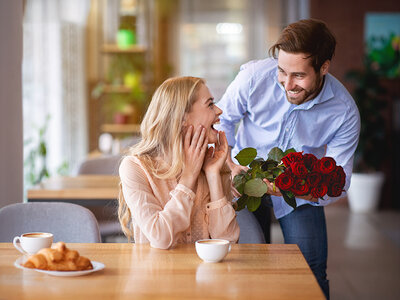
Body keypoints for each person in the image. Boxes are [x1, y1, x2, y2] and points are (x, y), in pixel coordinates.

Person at [216, 19, 360, 299]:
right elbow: (222, 120)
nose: (287, 84)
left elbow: (339, 180)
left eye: (299, 76)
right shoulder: (255, 77)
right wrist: (230, 165)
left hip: (300, 192)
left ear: (323, 68)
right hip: (242, 182)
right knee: (242, 264)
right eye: (282, 71)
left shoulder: (344, 111)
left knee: (311, 270)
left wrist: (298, 187)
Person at [118, 76, 240, 250]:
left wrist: (213, 175)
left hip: (206, 275)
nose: (219, 111)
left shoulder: (212, 163)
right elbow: (160, 238)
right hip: (156, 275)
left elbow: (229, 242)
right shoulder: (135, 168)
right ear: (182, 118)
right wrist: (189, 177)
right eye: (210, 104)